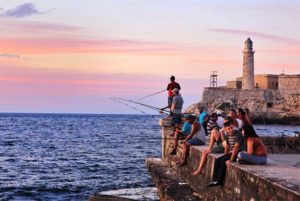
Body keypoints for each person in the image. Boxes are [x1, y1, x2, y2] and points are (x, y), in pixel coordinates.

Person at [208, 121, 246, 187]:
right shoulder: (227, 135)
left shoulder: (238, 134)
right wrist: (225, 155)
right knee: (217, 160)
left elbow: (236, 148)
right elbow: (227, 146)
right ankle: (214, 180)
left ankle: (219, 181)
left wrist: (230, 160)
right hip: (232, 152)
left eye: (232, 128)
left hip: (239, 153)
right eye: (228, 129)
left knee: (223, 161)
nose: (231, 130)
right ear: (226, 130)